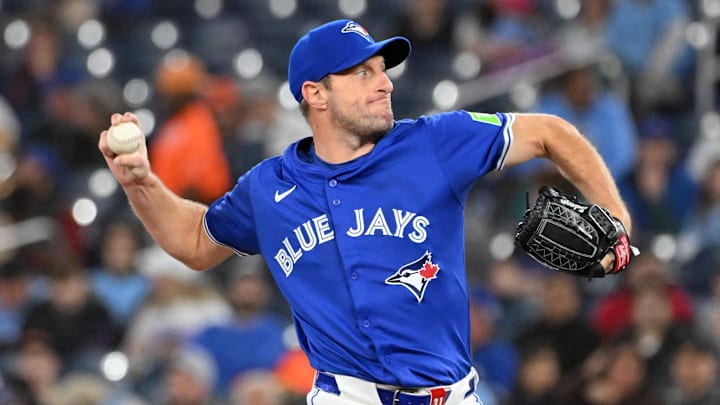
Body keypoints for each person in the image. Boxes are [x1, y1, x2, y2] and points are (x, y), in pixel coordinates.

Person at [98, 19, 632, 405]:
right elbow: (194, 241)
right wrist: (142, 183)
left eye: (383, 69)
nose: (386, 82)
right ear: (316, 94)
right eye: (364, 73)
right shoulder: (268, 188)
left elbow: (548, 132)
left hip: (450, 395)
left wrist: (615, 216)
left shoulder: (432, 144)